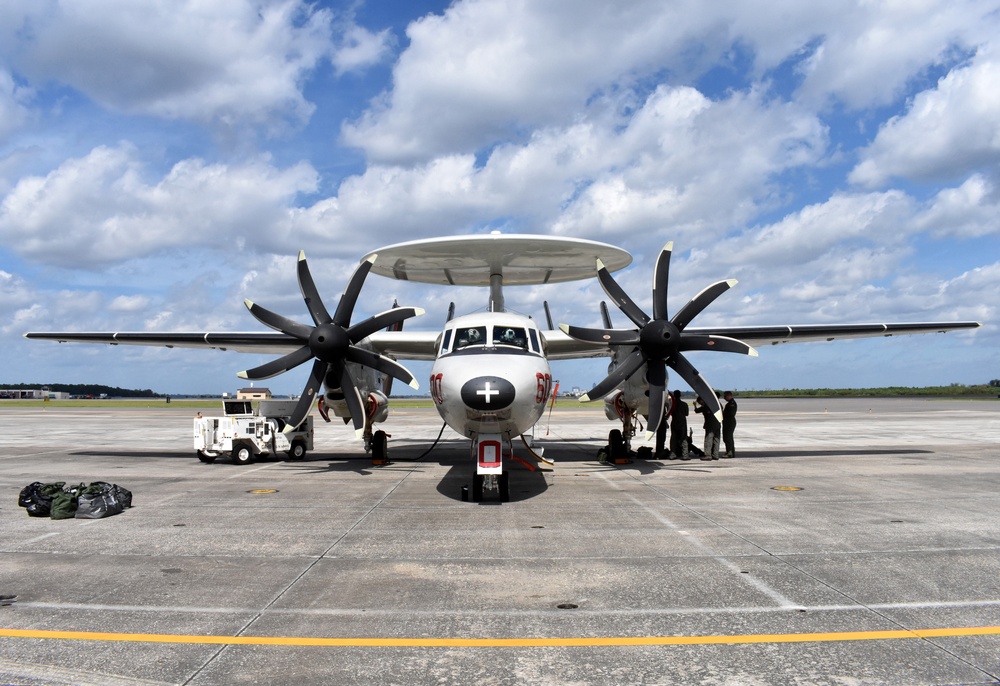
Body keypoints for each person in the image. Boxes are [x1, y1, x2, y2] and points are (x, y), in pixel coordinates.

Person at [694, 396, 720, 461]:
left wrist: (695, 405)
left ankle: (708, 455)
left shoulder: (706, 406)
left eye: (699, 402)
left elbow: (697, 411)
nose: (700, 404)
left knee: (708, 439)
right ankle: (715, 455)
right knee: (716, 439)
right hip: (717, 424)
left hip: (710, 425)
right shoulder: (716, 404)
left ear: (702, 400)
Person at [668, 390, 689, 460]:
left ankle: (673, 454)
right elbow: (687, 414)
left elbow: (669, 412)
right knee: (683, 438)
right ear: (680, 395)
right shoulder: (684, 404)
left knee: (673, 438)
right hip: (682, 422)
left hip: (674, 421)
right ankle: (685, 455)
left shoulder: (671, 404)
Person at [722, 391, 737, 458]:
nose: (724, 398)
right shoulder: (729, 403)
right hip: (727, 422)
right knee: (727, 438)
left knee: (728, 438)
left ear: (729, 396)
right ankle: (730, 452)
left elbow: (730, 414)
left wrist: (722, 413)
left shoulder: (731, 404)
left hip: (729, 422)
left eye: (725, 396)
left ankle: (730, 452)